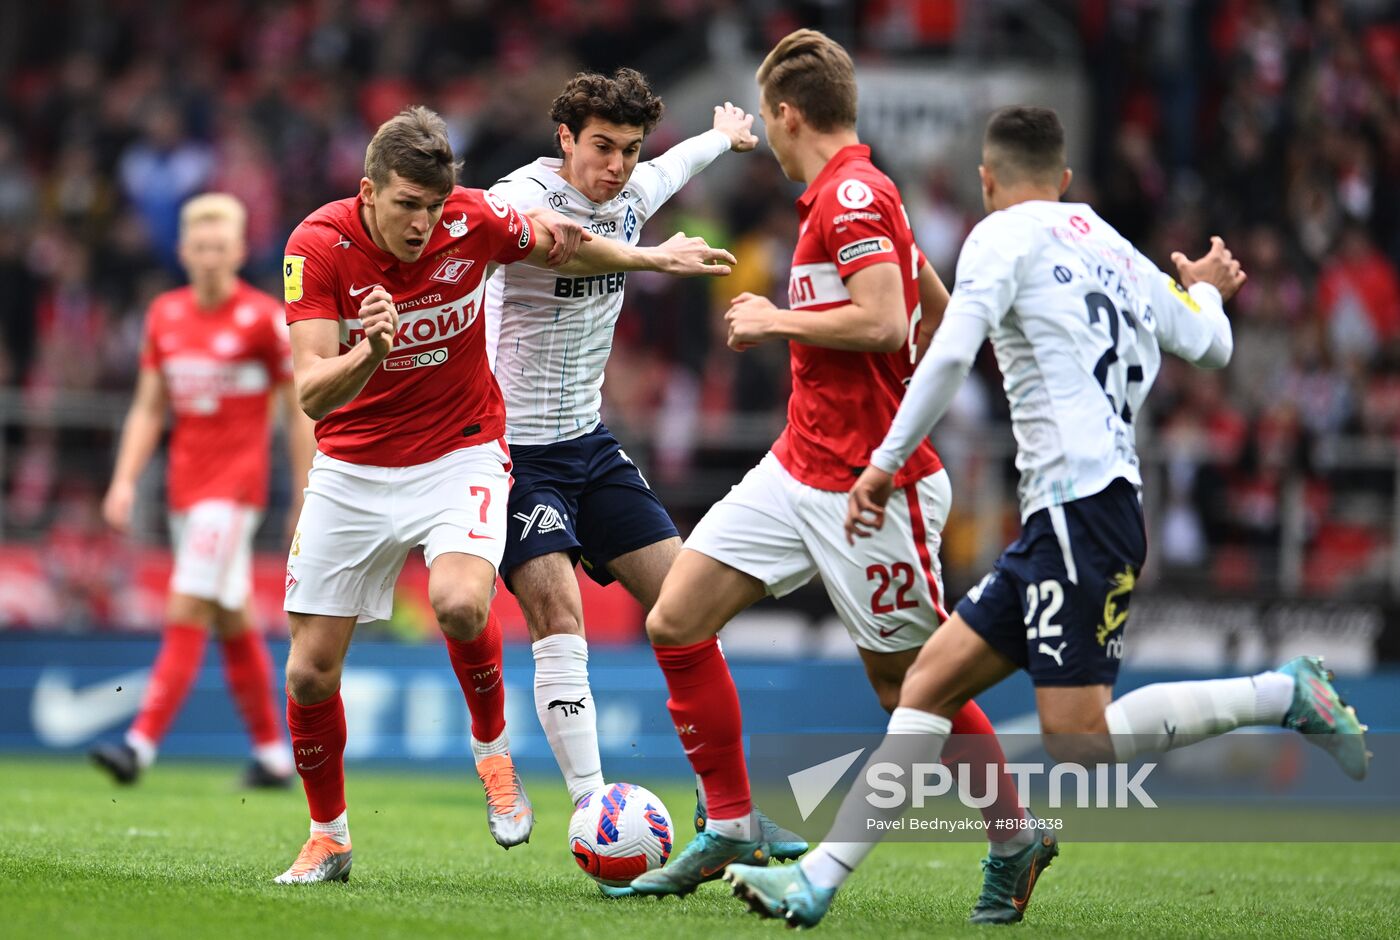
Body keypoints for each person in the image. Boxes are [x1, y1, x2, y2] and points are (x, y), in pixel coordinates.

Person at [724, 105, 1370, 928]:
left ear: (988, 180)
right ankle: (817, 879)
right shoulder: (1111, 247)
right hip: (1074, 516)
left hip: (1082, 512)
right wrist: (1205, 293)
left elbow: (952, 350)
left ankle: (1283, 692)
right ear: (1066, 180)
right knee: (925, 682)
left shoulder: (1001, 235)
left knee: (1080, 741)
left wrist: (885, 462)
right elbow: (1213, 348)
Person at [274, 105, 734, 884]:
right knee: (309, 674)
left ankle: (493, 754)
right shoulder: (316, 248)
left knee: (460, 601)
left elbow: (568, 244)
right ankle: (330, 838)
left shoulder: (477, 218)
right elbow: (313, 394)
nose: (422, 223)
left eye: (432, 205)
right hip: (353, 466)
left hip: (463, 449)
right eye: (405, 206)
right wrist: (369, 351)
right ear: (367, 192)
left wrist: (654, 261)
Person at [629, 30, 1032, 900]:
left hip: (871, 484)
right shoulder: (854, 194)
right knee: (677, 619)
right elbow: (923, 287)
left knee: (910, 685)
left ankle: (1014, 836)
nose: (769, 142)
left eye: (770, 124)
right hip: (798, 464)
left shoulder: (848, 195)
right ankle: (732, 825)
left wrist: (776, 320)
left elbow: (885, 321)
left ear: (785, 113)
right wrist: (957, 333)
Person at [484, 69, 805, 888]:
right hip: (514, 452)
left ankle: (725, 810)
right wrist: (656, 258)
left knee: (687, 605)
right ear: (565, 139)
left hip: (589, 445)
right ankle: (594, 812)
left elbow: (674, 169)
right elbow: (570, 243)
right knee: (558, 610)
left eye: (628, 150)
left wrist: (723, 138)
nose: (618, 166)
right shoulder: (520, 195)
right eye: (601, 147)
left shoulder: (634, 184)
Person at [90, 193, 312, 789]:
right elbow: (147, 407)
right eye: (201, 247)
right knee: (231, 616)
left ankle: (139, 746)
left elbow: (298, 413)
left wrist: (302, 492)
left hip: (235, 491)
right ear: (184, 250)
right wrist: (124, 481)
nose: (211, 257)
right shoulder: (165, 315)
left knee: (186, 602)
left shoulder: (264, 318)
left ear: (240, 250)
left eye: (222, 247)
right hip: (186, 491)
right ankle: (271, 756)